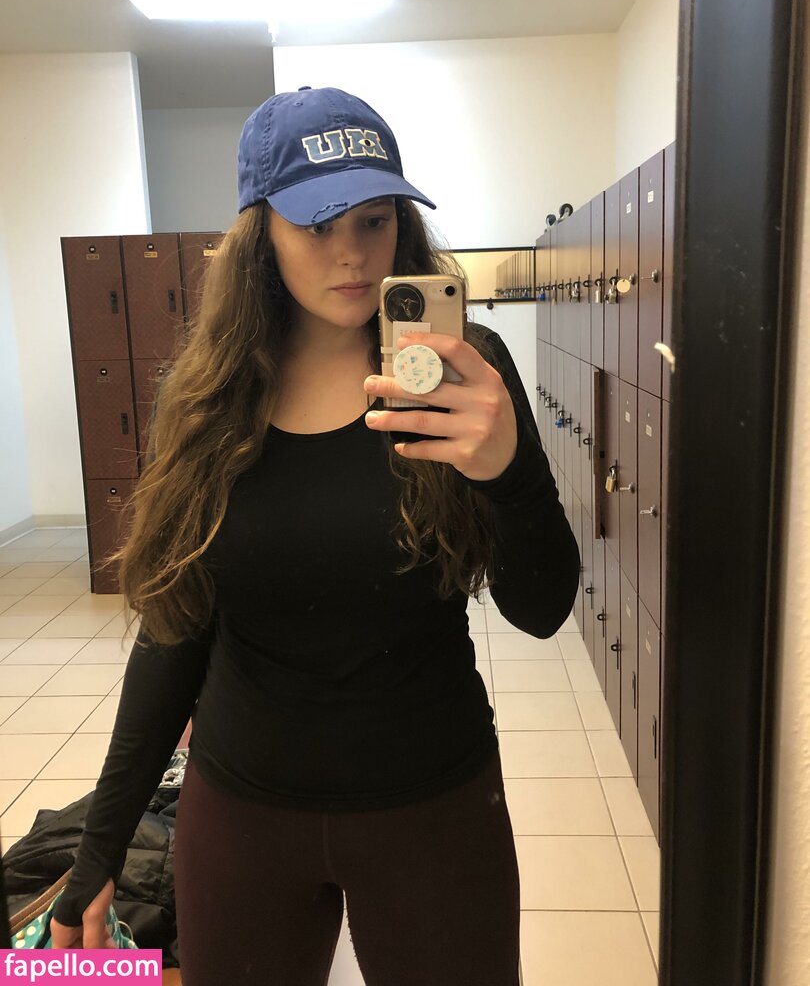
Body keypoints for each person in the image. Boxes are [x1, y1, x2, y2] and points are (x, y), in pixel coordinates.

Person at [49, 86, 580, 983]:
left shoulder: (466, 371)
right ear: (262, 233)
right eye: (317, 224)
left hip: (433, 802)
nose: (352, 254)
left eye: (375, 220)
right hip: (243, 813)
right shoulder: (208, 397)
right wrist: (99, 848)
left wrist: (509, 473)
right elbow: (175, 632)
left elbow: (543, 608)